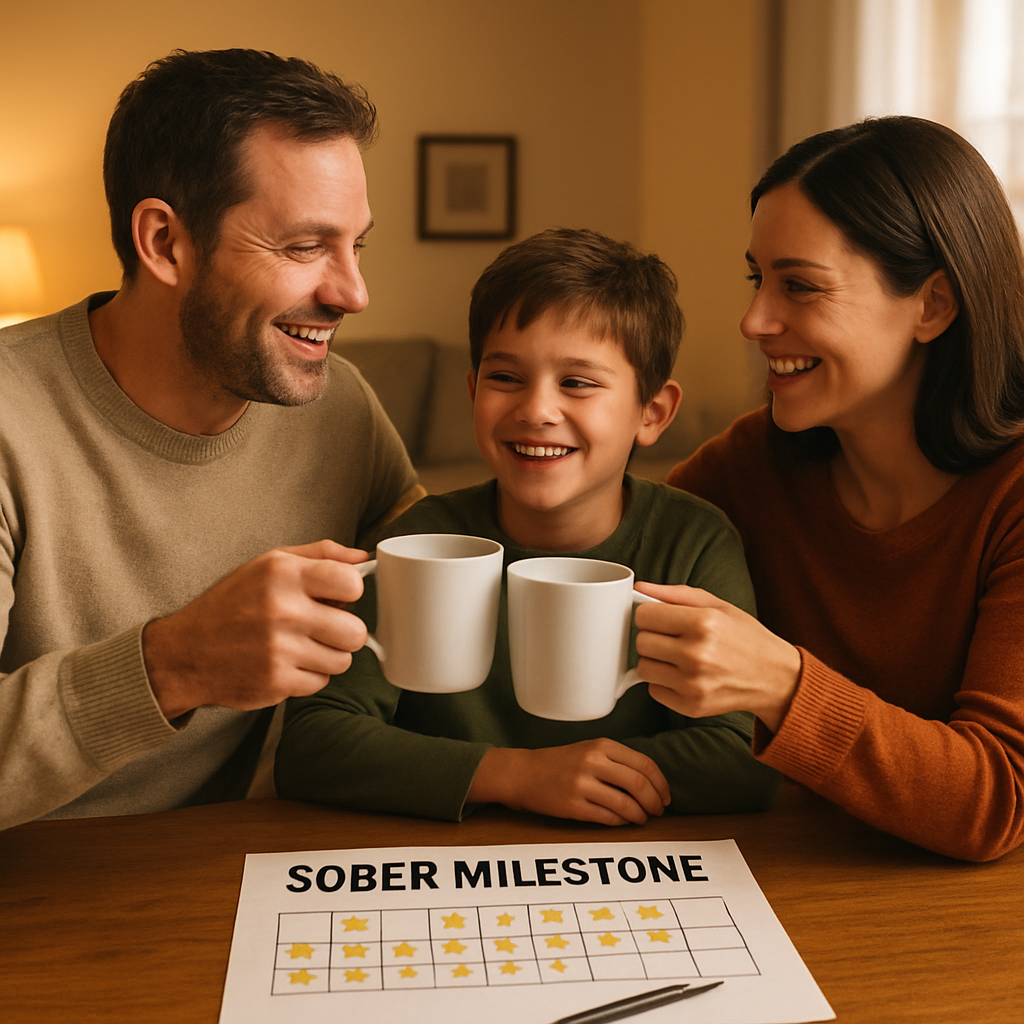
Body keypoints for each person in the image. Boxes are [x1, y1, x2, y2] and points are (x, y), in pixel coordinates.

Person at [0, 49, 421, 831]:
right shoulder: (9, 423)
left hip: (229, 864)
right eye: (303, 247)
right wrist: (174, 664)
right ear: (164, 242)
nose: (352, 294)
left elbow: (450, 566)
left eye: (355, 245)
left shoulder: (340, 410)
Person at [275, 228, 779, 824]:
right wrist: (516, 776)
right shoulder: (415, 544)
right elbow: (312, 745)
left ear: (653, 413)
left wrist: (577, 779)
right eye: (505, 378)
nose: (536, 410)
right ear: (472, 391)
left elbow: (738, 757)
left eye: (578, 382)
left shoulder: (693, 545)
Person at [637, 116, 1024, 861]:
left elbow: (998, 797)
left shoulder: (1010, 497)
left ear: (932, 305)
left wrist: (781, 682)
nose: (754, 320)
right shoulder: (752, 465)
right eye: (757, 278)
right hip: (801, 876)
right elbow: (605, 548)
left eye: (801, 286)